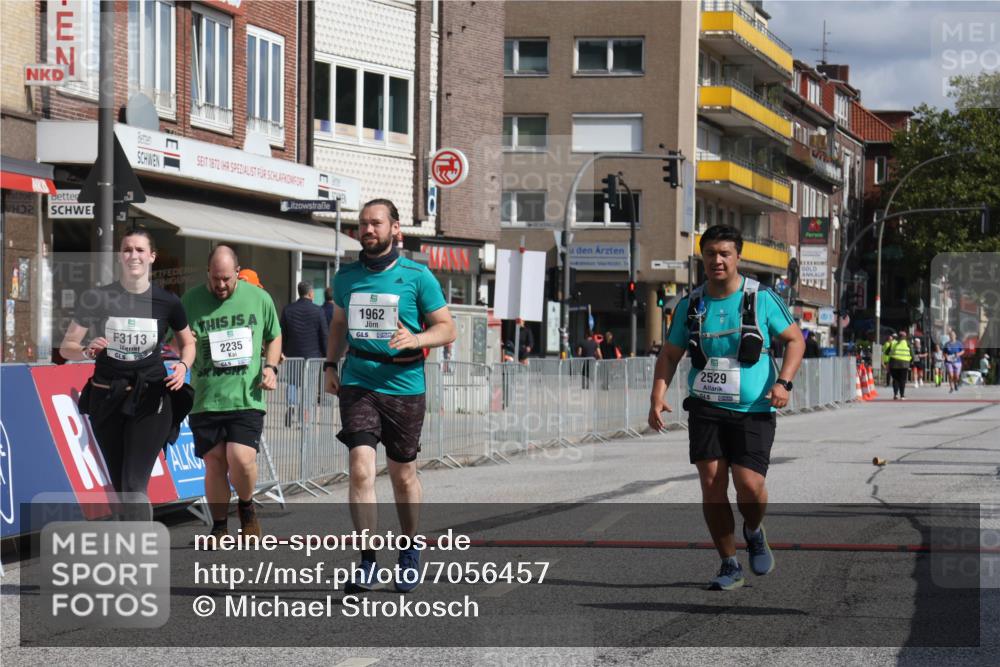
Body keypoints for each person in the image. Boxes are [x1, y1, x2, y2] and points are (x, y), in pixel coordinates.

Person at [648, 224, 804, 591]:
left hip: (754, 407)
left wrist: (783, 383)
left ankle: (753, 530)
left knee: (748, 485)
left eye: (724, 254)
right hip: (706, 407)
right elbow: (670, 353)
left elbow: (795, 340)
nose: (717, 260)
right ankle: (728, 563)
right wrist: (657, 395)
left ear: (738, 257)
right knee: (712, 486)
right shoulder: (691, 304)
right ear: (702, 257)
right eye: (710, 253)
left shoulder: (761, 298)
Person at [324, 199, 456, 594]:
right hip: (359, 382)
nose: (368, 230)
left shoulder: (418, 276)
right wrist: (331, 364)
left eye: (376, 223)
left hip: (405, 385)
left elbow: (447, 328)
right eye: (362, 224)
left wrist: (417, 337)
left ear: (395, 229)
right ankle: (366, 562)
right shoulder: (345, 277)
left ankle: (410, 548)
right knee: (362, 469)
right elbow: (339, 323)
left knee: (402, 476)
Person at [60, 229, 195, 516]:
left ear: (152, 256)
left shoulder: (168, 302)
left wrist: (183, 366)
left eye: (140, 250)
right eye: (127, 249)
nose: (133, 255)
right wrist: (85, 349)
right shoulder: (98, 297)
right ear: (120, 256)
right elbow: (66, 347)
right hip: (107, 397)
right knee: (121, 486)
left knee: (134, 484)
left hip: (152, 399)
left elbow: (188, 344)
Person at [183, 245, 282, 541]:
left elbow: (274, 336)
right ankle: (219, 526)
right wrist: (185, 347)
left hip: (246, 395)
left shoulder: (259, 298)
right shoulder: (190, 301)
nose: (221, 285)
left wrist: (271, 367)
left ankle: (246, 504)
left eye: (226, 278)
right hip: (206, 397)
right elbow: (175, 341)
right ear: (207, 274)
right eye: (215, 279)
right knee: (214, 461)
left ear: (237, 273)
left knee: (240, 457)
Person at [281, 282, 329, 360]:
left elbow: (283, 334)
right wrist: (327, 357)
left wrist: (281, 352)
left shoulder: (287, 310)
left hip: (292, 359)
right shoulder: (319, 311)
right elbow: (324, 336)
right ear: (310, 294)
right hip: (313, 359)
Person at [887, 330, 912, 400]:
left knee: (895, 379)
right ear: (905, 337)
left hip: (894, 363)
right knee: (902, 380)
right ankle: (902, 395)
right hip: (904, 364)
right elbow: (912, 354)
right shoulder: (907, 343)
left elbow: (886, 352)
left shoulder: (893, 343)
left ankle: (895, 394)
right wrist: (911, 361)